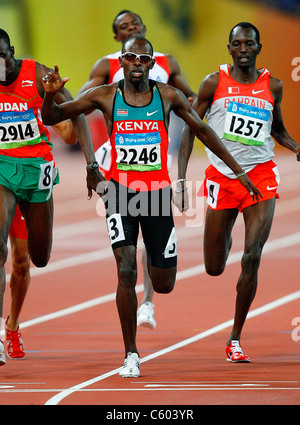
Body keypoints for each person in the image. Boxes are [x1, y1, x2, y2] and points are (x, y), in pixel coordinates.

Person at [41, 36, 260, 377]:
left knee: (164, 283)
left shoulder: (167, 96)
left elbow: (202, 131)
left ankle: (154, 288)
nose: (138, 64)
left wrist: (238, 169)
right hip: (119, 192)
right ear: (123, 60)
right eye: (131, 57)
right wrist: (49, 94)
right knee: (126, 269)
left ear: (152, 64)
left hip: (156, 195)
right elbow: (54, 115)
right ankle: (131, 354)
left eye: (144, 59)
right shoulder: (106, 95)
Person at [175, 22, 300, 363]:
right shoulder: (213, 83)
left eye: (249, 43)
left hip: (261, 176)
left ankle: (235, 338)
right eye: (237, 43)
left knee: (252, 256)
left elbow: (277, 130)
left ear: (259, 48)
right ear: (229, 48)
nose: (243, 48)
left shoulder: (273, 85)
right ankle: (226, 232)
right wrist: (181, 179)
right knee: (214, 266)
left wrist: (295, 146)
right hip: (222, 178)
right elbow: (190, 130)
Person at [79, 9, 196, 329]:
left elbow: (190, 97)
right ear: (117, 40)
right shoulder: (106, 65)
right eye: (123, 28)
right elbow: (80, 101)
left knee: (154, 233)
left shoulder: (166, 62)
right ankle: (136, 293)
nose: (130, 29)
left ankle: (148, 300)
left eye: (134, 25)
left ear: (145, 29)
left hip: (155, 154)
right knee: (129, 236)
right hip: (118, 155)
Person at [0, 29, 103, 367]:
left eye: (1, 57)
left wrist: (91, 165)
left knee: (31, 259)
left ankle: (12, 324)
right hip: (2, 170)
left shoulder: (39, 74)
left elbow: (74, 121)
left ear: (11, 52)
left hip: (36, 172)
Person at [3, 121, 77, 360]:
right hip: (2, 176)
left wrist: (73, 112)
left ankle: (12, 326)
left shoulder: (34, 87)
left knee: (23, 261)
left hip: (32, 177)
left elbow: (67, 133)